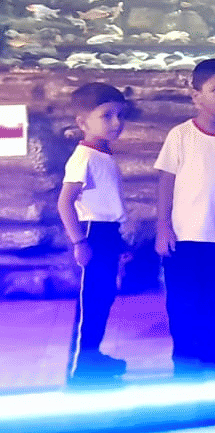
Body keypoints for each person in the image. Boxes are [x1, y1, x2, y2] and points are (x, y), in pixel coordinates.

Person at [154, 58, 215, 375]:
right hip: (184, 235)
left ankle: (209, 348)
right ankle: (184, 357)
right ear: (196, 96)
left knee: (211, 297)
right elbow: (166, 181)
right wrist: (163, 227)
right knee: (182, 300)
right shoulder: (181, 135)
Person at [57, 82, 131, 386]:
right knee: (91, 301)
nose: (116, 123)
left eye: (119, 115)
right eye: (107, 116)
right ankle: (80, 369)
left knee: (103, 297)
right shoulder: (84, 157)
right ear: (83, 122)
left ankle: (93, 356)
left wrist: (119, 240)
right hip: (92, 233)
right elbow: (65, 202)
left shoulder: (103, 155)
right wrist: (79, 241)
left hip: (107, 233)